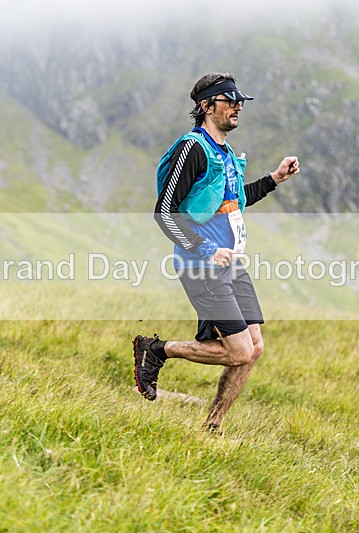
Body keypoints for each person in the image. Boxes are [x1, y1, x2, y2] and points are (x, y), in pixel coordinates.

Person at [133, 72, 300, 432]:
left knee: (254, 348)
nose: (238, 106)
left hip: (230, 264)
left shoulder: (224, 152)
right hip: (201, 265)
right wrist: (206, 249)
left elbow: (235, 202)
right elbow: (165, 213)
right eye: (230, 100)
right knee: (239, 351)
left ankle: (213, 426)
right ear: (207, 106)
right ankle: (156, 350)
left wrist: (274, 179)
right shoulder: (192, 148)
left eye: (240, 101)